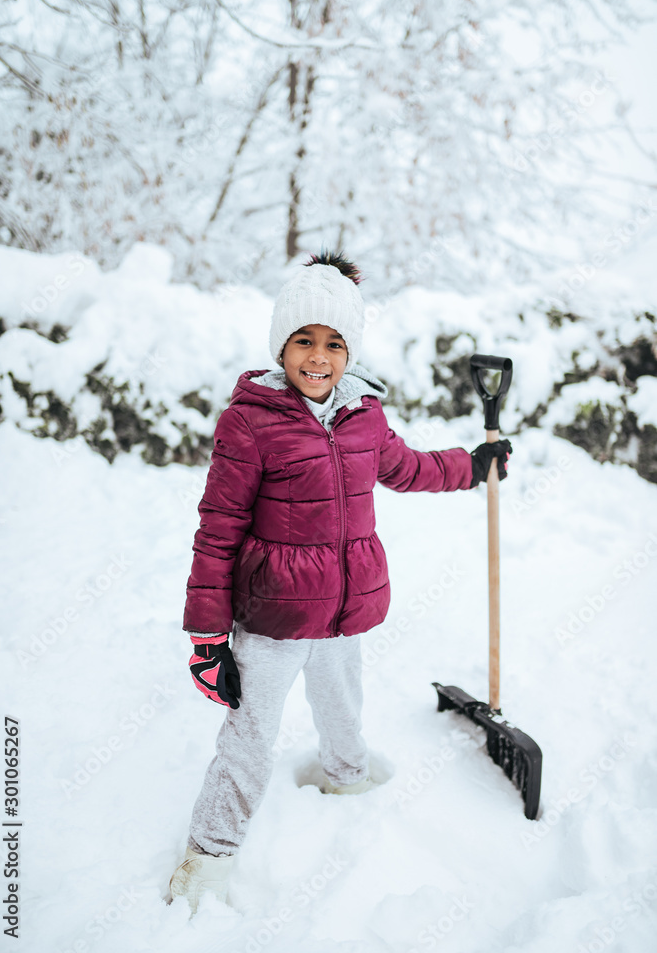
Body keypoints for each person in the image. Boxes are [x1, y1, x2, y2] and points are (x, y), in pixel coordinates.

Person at [169, 251, 511, 911]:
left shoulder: (364, 413)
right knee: (249, 738)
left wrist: (471, 465)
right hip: (271, 614)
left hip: (346, 604)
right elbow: (218, 527)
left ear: (350, 349)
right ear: (282, 345)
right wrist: (208, 637)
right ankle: (208, 853)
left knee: (343, 703)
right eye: (304, 340)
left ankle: (344, 777)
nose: (318, 357)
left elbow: (405, 468)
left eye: (333, 342)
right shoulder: (250, 421)